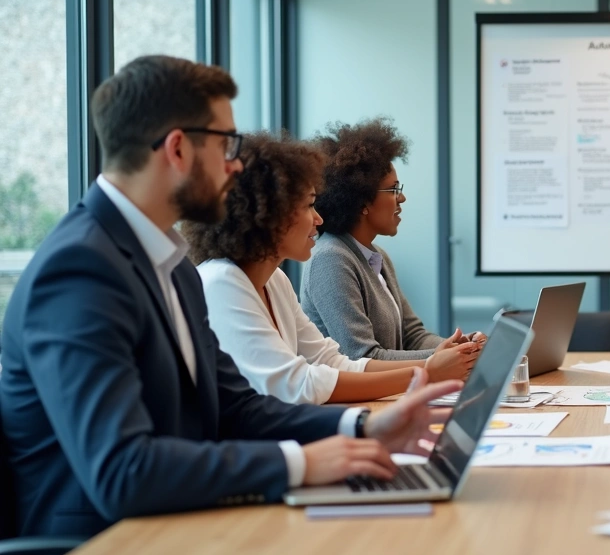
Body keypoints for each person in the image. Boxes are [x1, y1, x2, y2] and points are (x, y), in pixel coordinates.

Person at [0, 55, 461, 540]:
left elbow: (238, 407)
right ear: (177, 149)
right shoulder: (80, 270)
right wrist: (299, 462)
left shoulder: (172, 264)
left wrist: (362, 428)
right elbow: (122, 470)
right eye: (227, 143)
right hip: (106, 544)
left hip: (181, 521)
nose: (236, 163)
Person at [182, 133, 474, 404]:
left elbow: (331, 361)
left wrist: (439, 364)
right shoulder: (222, 282)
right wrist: (425, 374)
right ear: (269, 214)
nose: (319, 219)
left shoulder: (275, 282)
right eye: (309, 205)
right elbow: (297, 384)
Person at [301, 118, 482, 362]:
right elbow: (363, 357)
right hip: (357, 400)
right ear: (362, 200)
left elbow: (412, 335)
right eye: (394, 190)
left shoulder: (378, 257)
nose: (402, 198)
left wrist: (461, 346)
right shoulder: (331, 259)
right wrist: (442, 356)